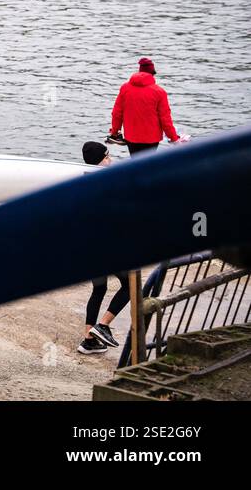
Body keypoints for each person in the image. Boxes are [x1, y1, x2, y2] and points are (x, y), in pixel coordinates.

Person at [76, 141, 129, 355]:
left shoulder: (83, 181)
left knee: (99, 288)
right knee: (130, 285)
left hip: (87, 247)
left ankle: (89, 340)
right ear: (100, 161)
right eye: (107, 157)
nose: (111, 160)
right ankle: (103, 326)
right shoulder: (106, 184)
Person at [109, 57, 186, 154]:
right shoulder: (159, 92)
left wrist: (114, 133)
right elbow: (165, 120)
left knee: (135, 162)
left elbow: (117, 113)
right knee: (147, 164)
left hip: (131, 137)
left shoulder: (125, 88)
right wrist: (174, 139)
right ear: (152, 74)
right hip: (151, 140)